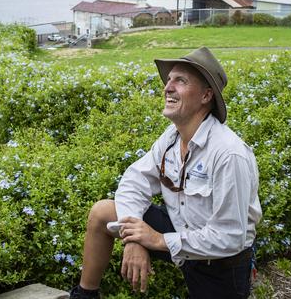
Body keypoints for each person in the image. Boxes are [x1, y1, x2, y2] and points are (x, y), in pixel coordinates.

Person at [70, 47, 262, 299]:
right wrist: (134, 239)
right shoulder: (171, 138)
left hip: (220, 263)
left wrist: (157, 240)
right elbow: (134, 181)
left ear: (206, 95)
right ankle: (84, 296)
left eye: (180, 81)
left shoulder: (229, 154)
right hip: (179, 231)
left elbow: (230, 237)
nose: (167, 87)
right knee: (103, 212)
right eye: (168, 80)